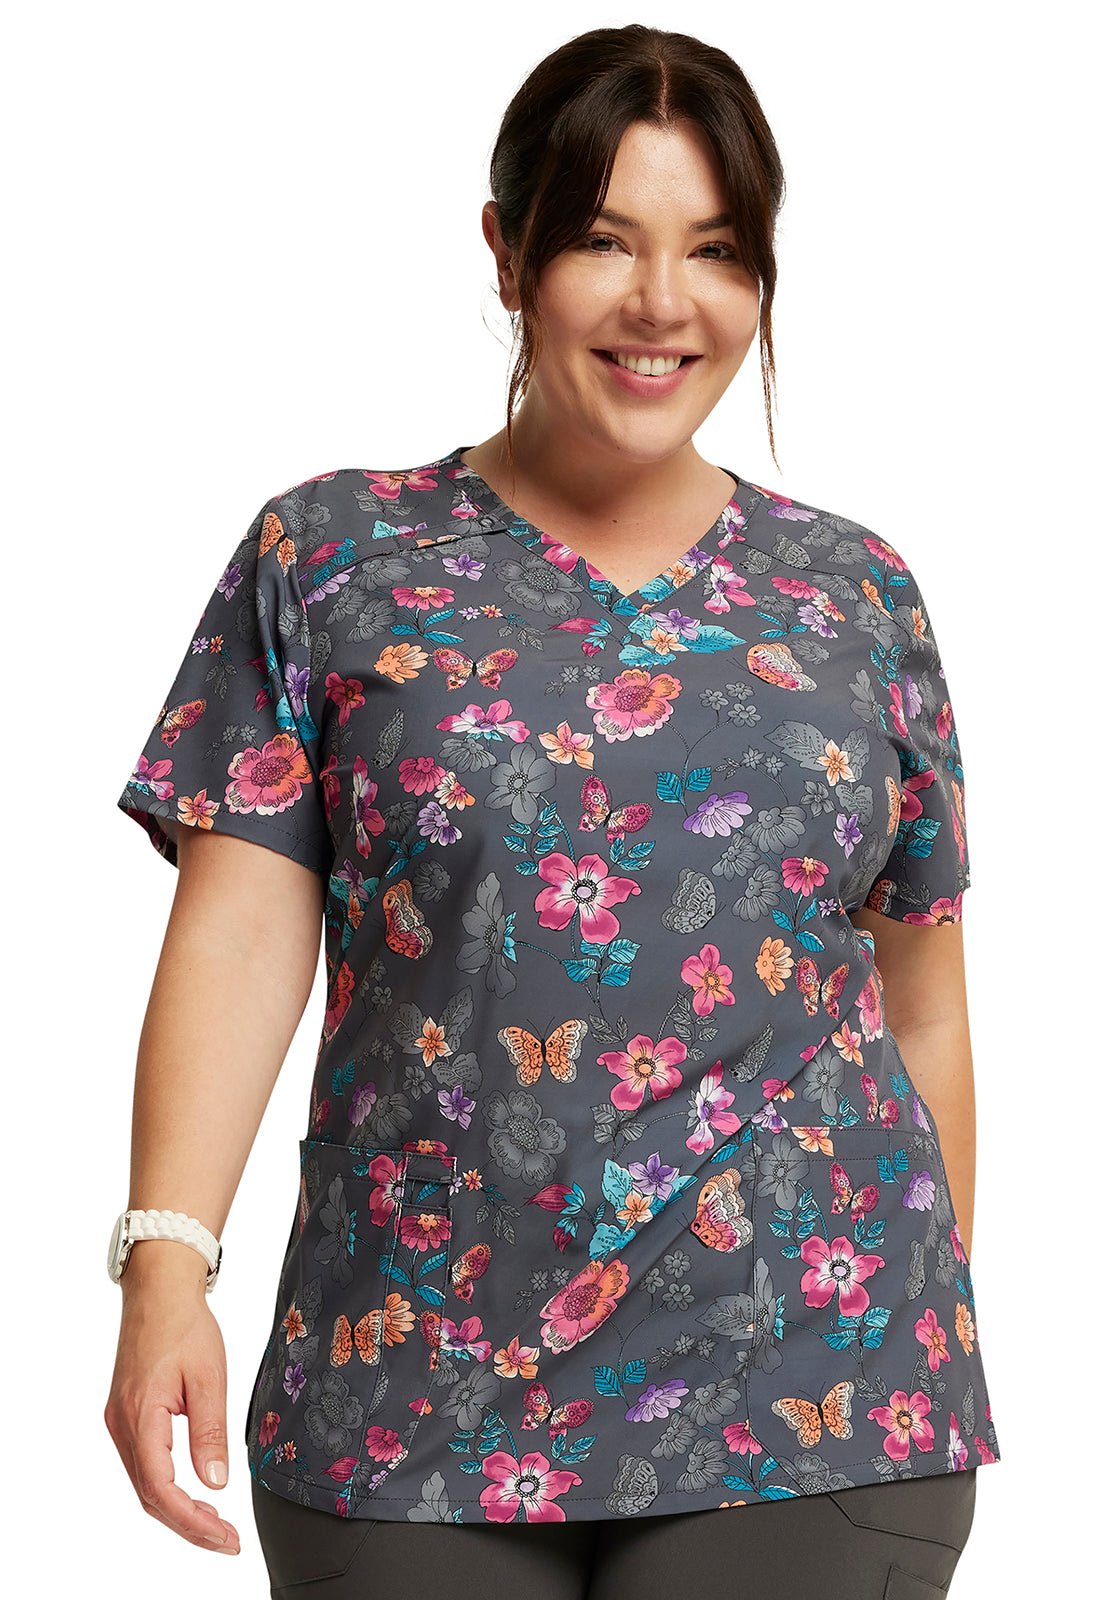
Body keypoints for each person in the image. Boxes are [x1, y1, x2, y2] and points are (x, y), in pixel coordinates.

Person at [105, 22, 1000, 1600]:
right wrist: (163, 1262)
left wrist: (919, 1332)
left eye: (715, 250)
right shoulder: (333, 558)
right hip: (401, 1385)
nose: (663, 302)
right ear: (509, 252)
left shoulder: (855, 595)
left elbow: (920, 993)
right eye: (604, 240)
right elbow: (240, 938)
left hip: (814, 1393)